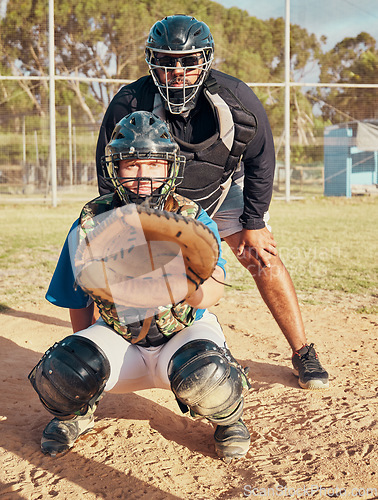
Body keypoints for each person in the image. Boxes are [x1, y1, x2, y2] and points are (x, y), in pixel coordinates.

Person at [95, 15, 329, 390]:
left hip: (220, 194)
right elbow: (109, 172)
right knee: (113, 263)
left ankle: (303, 352)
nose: (177, 70)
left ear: (206, 60)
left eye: (188, 61)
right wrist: (123, 229)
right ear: (151, 61)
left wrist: (254, 222)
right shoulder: (130, 101)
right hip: (157, 204)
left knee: (262, 256)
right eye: (166, 60)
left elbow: (261, 161)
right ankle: (103, 350)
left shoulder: (236, 100)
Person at [28, 111, 252, 462]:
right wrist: (85, 360)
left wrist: (189, 284)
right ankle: (76, 415)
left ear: (170, 168)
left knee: (207, 371)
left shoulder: (193, 219)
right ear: (115, 169)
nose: (143, 176)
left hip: (182, 334)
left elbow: (215, 292)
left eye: (153, 164)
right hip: (121, 340)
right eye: (131, 165)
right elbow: (77, 299)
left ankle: (228, 418)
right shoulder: (91, 223)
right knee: (68, 365)